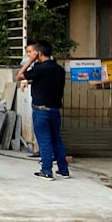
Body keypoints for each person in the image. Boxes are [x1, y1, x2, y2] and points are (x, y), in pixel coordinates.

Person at [16, 40, 69, 180]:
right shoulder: (58, 69)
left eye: (30, 53)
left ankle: (46, 170)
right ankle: (63, 169)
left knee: (44, 141)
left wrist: (29, 62)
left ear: (38, 53)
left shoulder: (40, 69)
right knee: (56, 139)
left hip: (41, 110)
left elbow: (19, 76)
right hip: (55, 109)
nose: (29, 55)